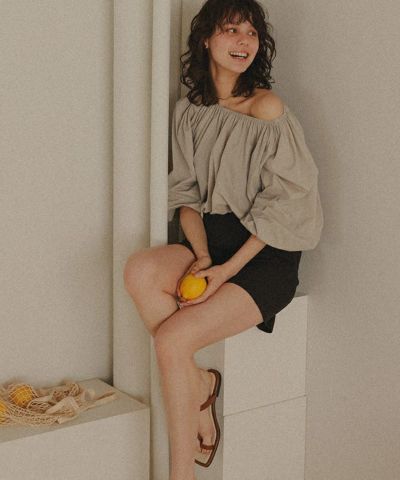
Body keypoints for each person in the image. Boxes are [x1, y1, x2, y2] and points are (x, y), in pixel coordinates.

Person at [124, 1, 323, 479]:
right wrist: (203, 256)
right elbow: (186, 194)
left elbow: (289, 202)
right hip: (212, 244)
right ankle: (198, 383)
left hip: (265, 255)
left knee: (171, 339)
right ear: (206, 40)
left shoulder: (266, 108)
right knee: (140, 269)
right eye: (232, 30)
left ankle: (181, 474)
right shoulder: (189, 112)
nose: (243, 41)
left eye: (252, 33)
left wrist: (226, 271)